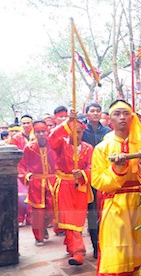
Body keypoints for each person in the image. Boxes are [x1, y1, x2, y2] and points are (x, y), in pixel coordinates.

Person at [92, 99, 141, 276]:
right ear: (110, 119)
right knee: (117, 250)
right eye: (117, 114)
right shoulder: (102, 149)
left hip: (139, 205)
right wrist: (118, 169)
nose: (122, 117)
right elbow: (97, 181)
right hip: (115, 205)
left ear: (132, 117)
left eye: (126, 113)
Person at [48, 110, 94, 265]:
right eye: (73, 132)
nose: (77, 135)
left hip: (80, 187)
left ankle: (74, 248)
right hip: (64, 187)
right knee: (68, 219)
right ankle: (78, 252)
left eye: (79, 132)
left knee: (77, 220)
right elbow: (52, 138)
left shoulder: (89, 148)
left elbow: (92, 167)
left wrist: (82, 173)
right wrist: (68, 121)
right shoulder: (61, 145)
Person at [17, 120, 57, 246]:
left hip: (52, 181)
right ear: (35, 132)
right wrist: (27, 176)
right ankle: (38, 237)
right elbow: (21, 165)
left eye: (43, 131)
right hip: (36, 183)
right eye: (38, 132)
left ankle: (44, 228)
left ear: (47, 131)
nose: (41, 134)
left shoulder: (54, 145)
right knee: (37, 212)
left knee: (52, 209)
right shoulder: (29, 147)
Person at [81, 102, 111, 259]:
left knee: (105, 212)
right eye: (92, 111)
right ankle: (95, 246)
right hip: (88, 178)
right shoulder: (81, 131)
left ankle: (106, 243)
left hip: (105, 175)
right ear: (86, 114)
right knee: (92, 214)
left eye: (98, 111)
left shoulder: (107, 132)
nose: (95, 113)